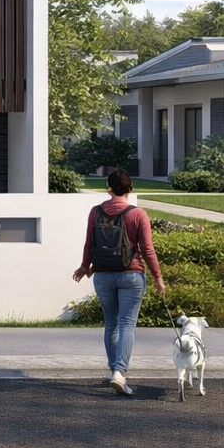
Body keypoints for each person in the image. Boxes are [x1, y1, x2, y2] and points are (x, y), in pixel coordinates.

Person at [72, 169, 167, 396]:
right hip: (131, 275)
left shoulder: (96, 212)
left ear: (109, 187)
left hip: (103, 275)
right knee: (126, 325)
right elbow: (147, 249)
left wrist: (85, 267)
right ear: (130, 187)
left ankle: (114, 370)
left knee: (111, 323)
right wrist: (158, 277)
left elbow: (89, 243)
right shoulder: (138, 214)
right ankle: (120, 373)